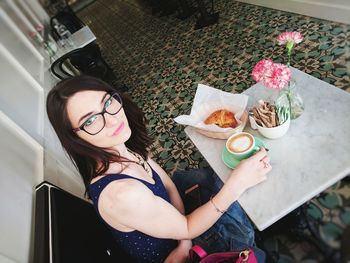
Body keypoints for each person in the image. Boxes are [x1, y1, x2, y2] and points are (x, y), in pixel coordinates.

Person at [46, 75, 272, 263]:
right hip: (183, 255)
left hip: (180, 235)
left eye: (107, 102)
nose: (113, 120)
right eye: (91, 120)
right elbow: (187, 227)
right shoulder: (121, 194)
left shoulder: (122, 148)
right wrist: (237, 184)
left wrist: (184, 241)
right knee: (236, 204)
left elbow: (168, 186)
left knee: (222, 178)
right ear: (74, 136)